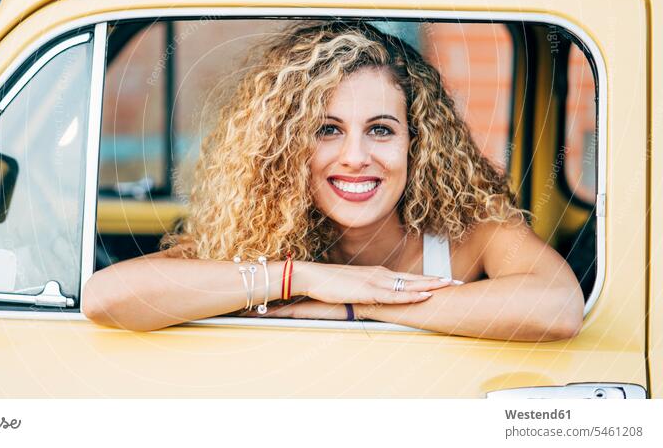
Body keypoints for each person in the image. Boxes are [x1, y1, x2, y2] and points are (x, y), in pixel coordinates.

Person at [82, 21, 584, 341]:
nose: (355, 157)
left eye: (381, 130)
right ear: (285, 148)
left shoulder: (465, 234)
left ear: (418, 142)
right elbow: (109, 298)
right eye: (327, 130)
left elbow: (558, 308)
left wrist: (360, 304)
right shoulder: (253, 237)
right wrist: (300, 277)